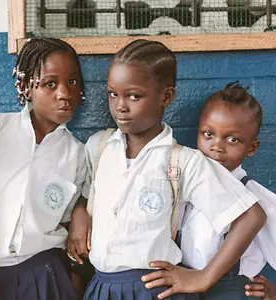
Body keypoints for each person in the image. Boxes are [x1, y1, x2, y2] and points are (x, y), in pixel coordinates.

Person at [68, 39, 267, 300]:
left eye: (134, 96)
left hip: (153, 290)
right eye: (113, 94)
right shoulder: (98, 147)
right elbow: (87, 195)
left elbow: (251, 216)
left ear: (167, 96)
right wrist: (79, 214)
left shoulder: (184, 162)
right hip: (103, 288)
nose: (120, 106)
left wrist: (204, 277)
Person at [0, 37, 87, 300]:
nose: (64, 93)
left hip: (45, 273)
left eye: (72, 82)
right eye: (50, 83)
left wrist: (81, 208)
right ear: (26, 87)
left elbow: (73, 212)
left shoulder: (77, 153)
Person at [181, 81, 276, 300]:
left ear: (251, 148)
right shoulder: (187, 186)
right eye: (208, 134)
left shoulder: (255, 197)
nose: (216, 146)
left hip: (232, 292)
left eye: (232, 139)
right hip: (188, 289)